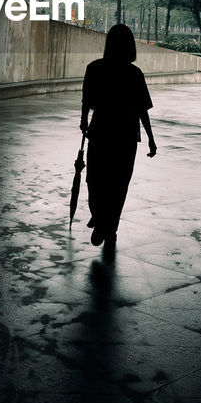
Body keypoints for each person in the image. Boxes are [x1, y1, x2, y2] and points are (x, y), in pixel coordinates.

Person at [79, 24, 157, 249]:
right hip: (126, 136)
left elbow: (87, 101)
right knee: (118, 185)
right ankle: (109, 226)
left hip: (100, 132)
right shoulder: (134, 74)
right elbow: (143, 109)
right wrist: (151, 138)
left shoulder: (94, 68)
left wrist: (84, 122)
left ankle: (100, 218)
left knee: (95, 180)